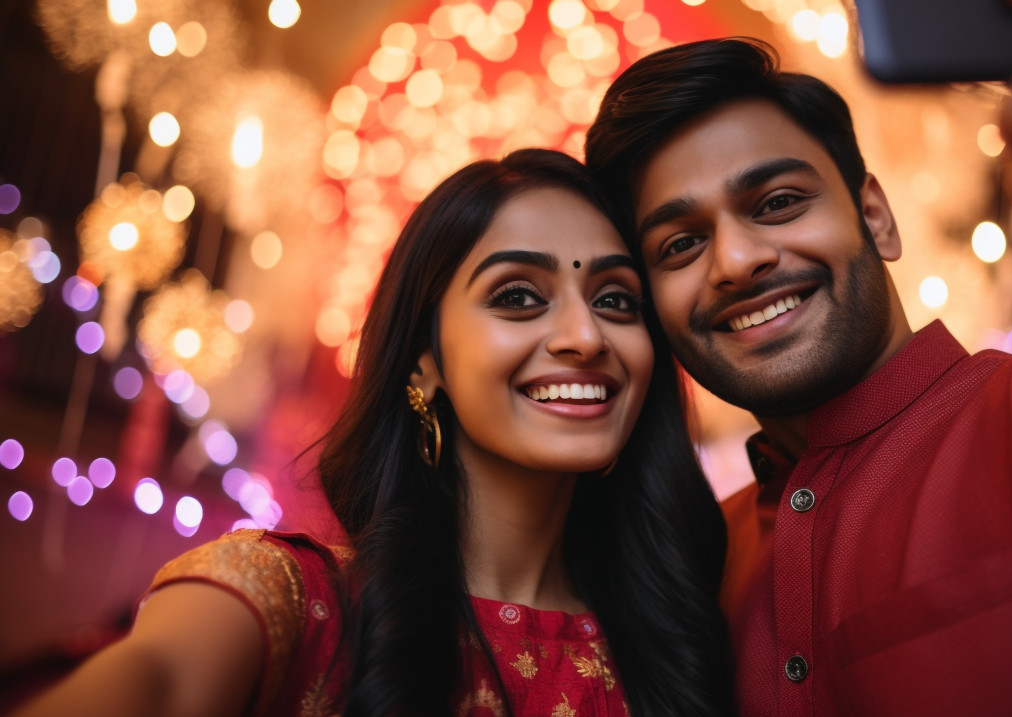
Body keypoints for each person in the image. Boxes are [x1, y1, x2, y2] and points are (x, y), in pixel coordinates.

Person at [583, 0, 1012, 713]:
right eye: (680, 245)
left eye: (778, 202)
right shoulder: (697, 561)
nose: (735, 260)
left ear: (875, 218)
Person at [15, 149, 735, 716]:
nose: (585, 335)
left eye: (615, 299)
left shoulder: (681, 640)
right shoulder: (296, 603)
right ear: (425, 362)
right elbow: (158, 680)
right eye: (519, 295)